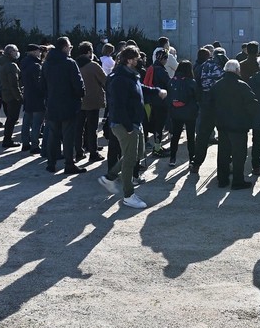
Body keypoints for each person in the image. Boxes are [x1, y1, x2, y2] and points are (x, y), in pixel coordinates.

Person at [98, 46, 167, 209]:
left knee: (137, 153)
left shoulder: (129, 75)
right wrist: (128, 126)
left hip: (134, 122)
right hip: (125, 124)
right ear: (129, 60)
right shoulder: (119, 78)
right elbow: (118, 105)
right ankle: (128, 195)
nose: (139, 61)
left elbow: (139, 89)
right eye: (136, 59)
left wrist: (157, 91)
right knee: (129, 159)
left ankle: (110, 177)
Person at [40, 37, 87, 174]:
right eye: (70, 47)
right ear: (65, 47)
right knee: (68, 136)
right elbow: (78, 85)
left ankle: (51, 163)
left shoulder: (47, 63)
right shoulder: (69, 63)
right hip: (68, 104)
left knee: (53, 135)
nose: (71, 50)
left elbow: (42, 85)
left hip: (52, 104)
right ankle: (69, 164)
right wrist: (80, 95)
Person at [209, 59, 259, 189]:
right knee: (239, 154)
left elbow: (210, 104)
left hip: (222, 124)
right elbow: (252, 104)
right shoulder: (242, 85)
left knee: (223, 153)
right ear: (237, 70)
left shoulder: (217, 85)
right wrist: (251, 118)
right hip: (239, 125)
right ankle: (237, 181)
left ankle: (222, 179)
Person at [190, 47, 228, 173]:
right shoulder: (225, 65)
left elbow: (197, 82)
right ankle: (224, 166)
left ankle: (196, 163)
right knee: (224, 135)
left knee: (203, 135)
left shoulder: (203, 66)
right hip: (221, 103)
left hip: (206, 102)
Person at [75, 41, 107, 162]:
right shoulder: (93, 66)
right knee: (92, 128)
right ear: (89, 52)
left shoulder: (74, 64)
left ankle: (78, 151)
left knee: (79, 127)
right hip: (93, 100)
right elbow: (105, 81)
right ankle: (93, 152)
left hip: (78, 101)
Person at [167, 60, 199, 167]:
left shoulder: (172, 81)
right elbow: (197, 97)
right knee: (190, 137)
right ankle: (192, 159)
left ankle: (172, 158)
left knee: (175, 136)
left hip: (175, 112)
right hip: (190, 112)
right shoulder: (191, 82)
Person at [20, 44, 46, 155]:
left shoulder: (24, 63)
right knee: (37, 123)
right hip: (37, 97)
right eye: (39, 51)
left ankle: (25, 143)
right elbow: (40, 84)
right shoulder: (36, 66)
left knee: (26, 120)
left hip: (28, 95)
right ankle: (35, 145)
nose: (40, 53)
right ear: (34, 52)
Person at [0, 44, 23, 148]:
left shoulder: (2, 63)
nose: (17, 52)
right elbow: (14, 84)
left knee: (10, 118)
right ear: (11, 52)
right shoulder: (11, 65)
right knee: (12, 118)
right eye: (15, 51)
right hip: (12, 95)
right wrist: (19, 97)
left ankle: (7, 138)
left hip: (6, 93)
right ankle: (7, 139)